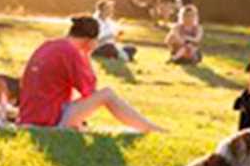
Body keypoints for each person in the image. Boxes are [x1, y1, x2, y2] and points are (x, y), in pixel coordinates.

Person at [18, 16, 164, 132]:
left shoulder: (49, 45)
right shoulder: (70, 51)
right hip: (48, 120)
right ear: (90, 40)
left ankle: (149, 126)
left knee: (97, 96)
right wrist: (86, 54)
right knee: (107, 94)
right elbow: (90, 90)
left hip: (29, 115)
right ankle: (150, 128)